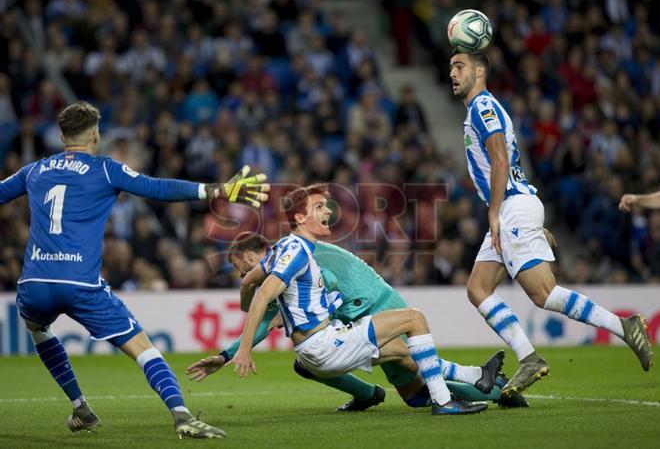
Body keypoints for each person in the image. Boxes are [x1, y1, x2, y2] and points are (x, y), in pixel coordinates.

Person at [0, 101, 269, 438]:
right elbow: (158, 188)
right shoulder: (105, 169)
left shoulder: (33, 170)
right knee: (145, 350)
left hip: (35, 282)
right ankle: (182, 415)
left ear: (61, 136)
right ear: (96, 134)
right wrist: (215, 190)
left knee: (38, 329)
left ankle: (80, 406)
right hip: (80, 282)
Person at [448, 51, 653, 398]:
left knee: (543, 293)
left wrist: (497, 214)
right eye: (451, 66)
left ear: (480, 71)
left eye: (459, 66)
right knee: (478, 289)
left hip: (509, 208)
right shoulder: (476, 110)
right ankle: (528, 356)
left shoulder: (483, 107)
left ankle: (623, 325)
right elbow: (508, 163)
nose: (452, 72)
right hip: (515, 206)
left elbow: (500, 160)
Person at [226, 184, 489, 415]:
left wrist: (250, 285)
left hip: (322, 343)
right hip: (325, 343)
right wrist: (243, 348)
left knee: (405, 365)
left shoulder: (286, 248)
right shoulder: (296, 250)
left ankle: (478, 377)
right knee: (414, 319)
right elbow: (262, 296)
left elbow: (260, 287)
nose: (328, 212)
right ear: (300, 218)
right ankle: (450, 400)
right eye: (319, 207)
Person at [187, 232, 526, 409]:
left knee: (415, 371)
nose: (240, 274)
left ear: (250, 255)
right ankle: (369, 395)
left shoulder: (289, 257)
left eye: (237, 266)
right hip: (356, 316)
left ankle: (497, 390)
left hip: (375, 305)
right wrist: (227, 354)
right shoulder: (281, 264)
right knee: (412, 395)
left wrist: (323, 320)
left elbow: (331, 285)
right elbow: (262, 318)